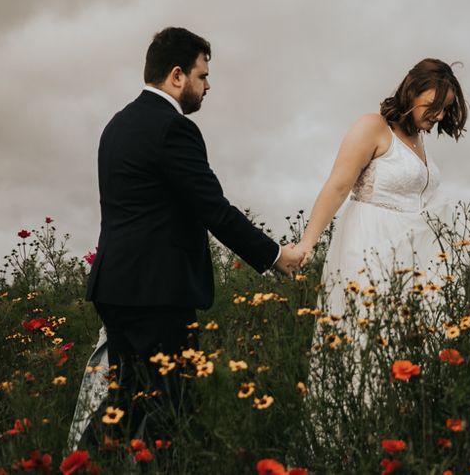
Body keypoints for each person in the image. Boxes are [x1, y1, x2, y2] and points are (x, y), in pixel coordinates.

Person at [70, 27, 304, 449]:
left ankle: (79, 466)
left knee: (128, 400)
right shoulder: (172, 129)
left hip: (117, 286)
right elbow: (213, 209)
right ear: (177, 76)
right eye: (202, 75)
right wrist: (275, 256)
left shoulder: (117, 125)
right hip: (158, 291)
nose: (207, 84)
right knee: (173, 410)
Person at [295, 58, 467, 400]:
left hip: (412, 258)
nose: (439, 116)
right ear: (413, 89)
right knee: (367, 344)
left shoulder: (418, 141)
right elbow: (338, 186)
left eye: (446, 110)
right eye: (435, 105)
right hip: (370, 247)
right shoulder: (373, 127)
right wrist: (307, 243)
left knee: (410, 349)